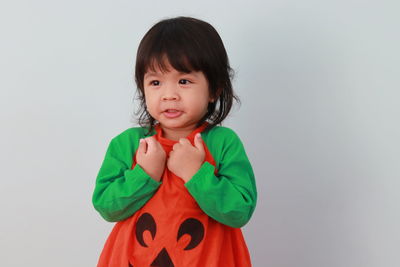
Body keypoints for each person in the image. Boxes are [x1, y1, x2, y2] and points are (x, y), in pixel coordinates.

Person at [92, 16, 257, 267]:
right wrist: (145, 174)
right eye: (156, 82)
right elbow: (106, 206)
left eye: (184, 81)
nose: (169, 95)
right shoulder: (128, 144)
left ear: (214, 89)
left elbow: (239, 212)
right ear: (143, 88)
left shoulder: (223, 143)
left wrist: (196, 173)